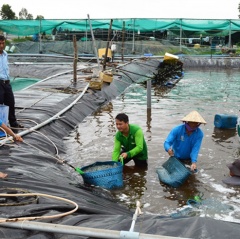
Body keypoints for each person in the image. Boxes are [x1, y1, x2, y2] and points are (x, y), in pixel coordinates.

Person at [0, 35, 23, 129]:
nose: (1, 45)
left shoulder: (5, 54)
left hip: (6, 82)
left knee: (10, 102)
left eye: (3, 43)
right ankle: (2, 126)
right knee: (0, 103)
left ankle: (13, 123)